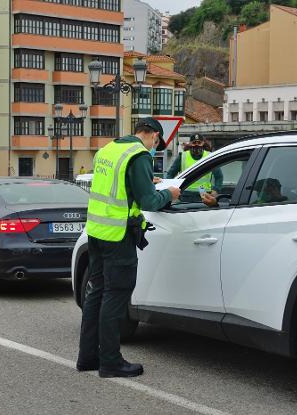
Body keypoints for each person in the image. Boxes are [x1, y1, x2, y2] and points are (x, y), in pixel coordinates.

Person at [77, 117, 180, 378]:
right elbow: (149, 202)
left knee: (97, 293)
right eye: (157, 143)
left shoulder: (108, 150)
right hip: (118, 235)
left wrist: (147, 181)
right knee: (116, 295)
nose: (155, 148)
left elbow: (118, 189)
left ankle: (88, 356)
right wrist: (170, 194)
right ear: (153, 135)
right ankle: (111, 361)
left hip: (97, 232)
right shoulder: (139, 155)